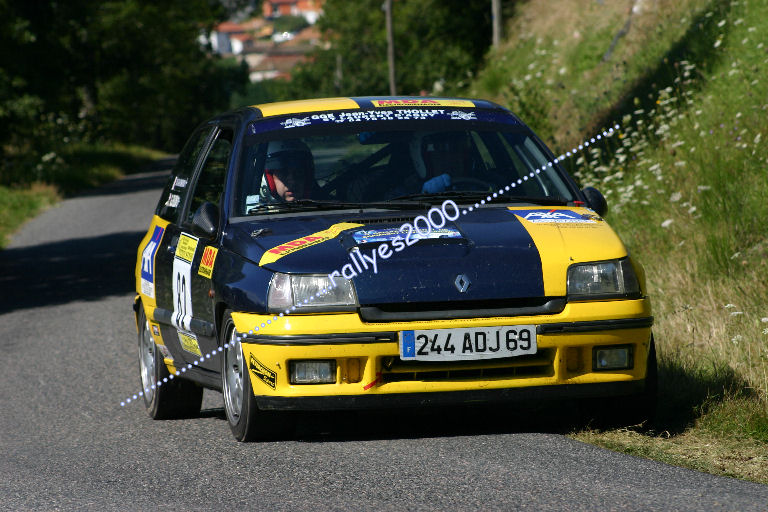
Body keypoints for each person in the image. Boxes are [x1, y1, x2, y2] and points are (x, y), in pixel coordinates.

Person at [258, 139, 315, 203]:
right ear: (267, 179)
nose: (292, 181)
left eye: (299, 173)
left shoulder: (325, 207)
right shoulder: (251, 210)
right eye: (284, 173)